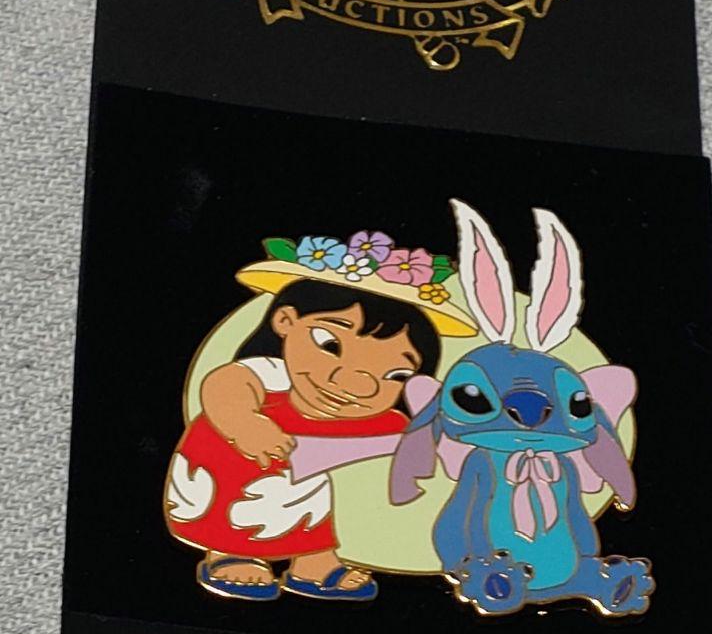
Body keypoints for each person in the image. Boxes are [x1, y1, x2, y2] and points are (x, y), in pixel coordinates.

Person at [164, 230, 477, 601]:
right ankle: (230, 553)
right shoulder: (270, 374)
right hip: (233, 471)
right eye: (330, 345)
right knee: (241, 502)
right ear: (285, 320)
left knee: (318, 504)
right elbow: (225, 384)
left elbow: (411, 440)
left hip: (306, 486)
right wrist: (245, 424)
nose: (358, 384)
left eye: (396, 374)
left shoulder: (377, 416)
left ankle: (315, 564)